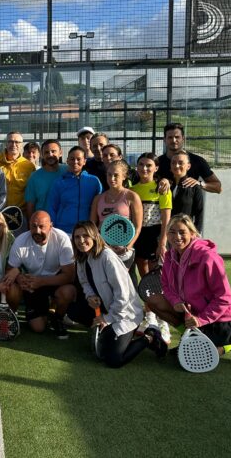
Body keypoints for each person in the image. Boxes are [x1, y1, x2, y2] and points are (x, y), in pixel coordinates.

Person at [147, 214, 231, 365]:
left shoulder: (208, 257)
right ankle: (192, 337)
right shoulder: (169, 256)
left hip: (223, 320)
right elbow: (165, 285)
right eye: (171, 232)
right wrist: (176, 301)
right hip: (194, 314)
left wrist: (200, 319)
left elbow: (224, 298)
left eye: (182, 232)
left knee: (196, 357)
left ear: (192, 233)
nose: (177, 237)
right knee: (154, 300)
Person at [72, 221, 167, 368]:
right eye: (77, 237)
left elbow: (123, 295)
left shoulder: (107, 257)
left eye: (85, 235)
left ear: (94, 236)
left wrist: (107, 318)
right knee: (74, 311)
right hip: (106, 307)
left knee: (113, 360)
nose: (81, 240)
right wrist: (90, 296)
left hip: (125, 313)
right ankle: (107, 333)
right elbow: (84, 282)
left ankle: (150, 337)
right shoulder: (81, 257)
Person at [3, 211, 75, 337]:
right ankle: (20, 312)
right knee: (38, 327)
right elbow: (9, 270)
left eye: (42, 226)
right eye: (33, 226)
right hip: (31, 284)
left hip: (54, 280)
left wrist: (41, 281)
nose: (37, 230)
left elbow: (69, 275)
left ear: (51, 226)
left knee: (68, 291)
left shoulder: (62, 238)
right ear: (29, 226)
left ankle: (58, 318)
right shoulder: (21, 241)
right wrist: (19, 277)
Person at [131, 153, 172, 341]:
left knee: (158, 281)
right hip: (139, 236)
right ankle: (150, 317)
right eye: (141, 165)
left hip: (156, 236)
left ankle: (163, 322)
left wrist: (162, 241)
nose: (144, 169)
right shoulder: (132, 188)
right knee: (144, 279)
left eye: (149, 165)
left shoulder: (162, 188)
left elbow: (166, 218)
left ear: (156, 168)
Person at [90, 159, 143, 254]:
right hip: (103, 248)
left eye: (116, 175)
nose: (112, 178)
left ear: (124, 176)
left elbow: (137, 227)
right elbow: (92, 226)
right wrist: (103, 246)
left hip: (124, 248)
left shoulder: (132, 196)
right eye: (109, 174)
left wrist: (127, 248)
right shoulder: (98, 199)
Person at [46, 146, 102, 235]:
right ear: (67, 160)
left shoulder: (94, 181)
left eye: (78, 159)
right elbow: (52, 207)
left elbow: (100, 206)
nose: (75, 162)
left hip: (87, 231)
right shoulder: (59, 183)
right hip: (63, 231)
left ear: (84, 161)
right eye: (72, 159)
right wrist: (53, 229)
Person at [156, 122, 222, 194]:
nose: (174, 140)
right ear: (164, 140)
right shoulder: (157, 162)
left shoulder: (197, 161)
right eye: (170, 137)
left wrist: (199, 184)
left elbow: (218, 187)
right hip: (162, 204)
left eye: (177, 137)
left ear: (183, 138)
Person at [0, 131, 36, 212]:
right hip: (0, 213)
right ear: (6, 144)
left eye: (17, 142)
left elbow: (32, 193)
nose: (13, 145)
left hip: (21, 213)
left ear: (21, 145)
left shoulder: (29, 166)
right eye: (10, 141)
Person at [24, 139, 67, 220]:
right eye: (46, 152)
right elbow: (30, 205)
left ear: (60, 153)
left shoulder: (68, 171)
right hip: (43, 225)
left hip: (64, 223)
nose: (50, 154)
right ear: (42, 155)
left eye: (53, 151)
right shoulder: (34, 177)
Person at [170, 151, 205, 231]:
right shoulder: (167, 185)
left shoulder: (194, 187)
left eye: (181, 163)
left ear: (188, 166)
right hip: (168, 232)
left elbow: (199, 213)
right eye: (173, 163)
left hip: (186, 232)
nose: (176, 166)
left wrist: (197, 233)